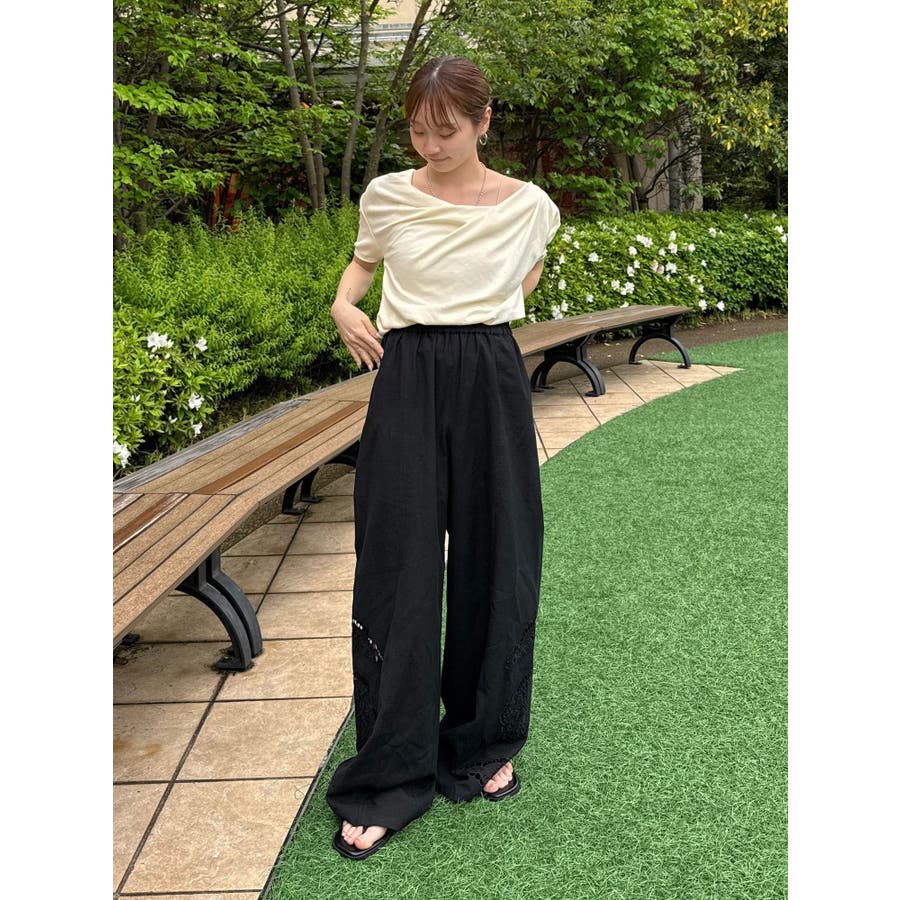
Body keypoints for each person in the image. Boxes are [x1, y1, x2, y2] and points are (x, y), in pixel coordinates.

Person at [326, 55, 561, 861]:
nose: (431, 145)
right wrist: (343, 303)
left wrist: (488, 302)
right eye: (419, 131)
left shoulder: (531, 206)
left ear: (484, 121)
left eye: (447, 131)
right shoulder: (389, 195)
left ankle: (482, 742)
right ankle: (390, 773)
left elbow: (528, 271)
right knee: (398, 566)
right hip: (409, 377)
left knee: (499, 558)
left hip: (491, 374)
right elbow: (364, 262)